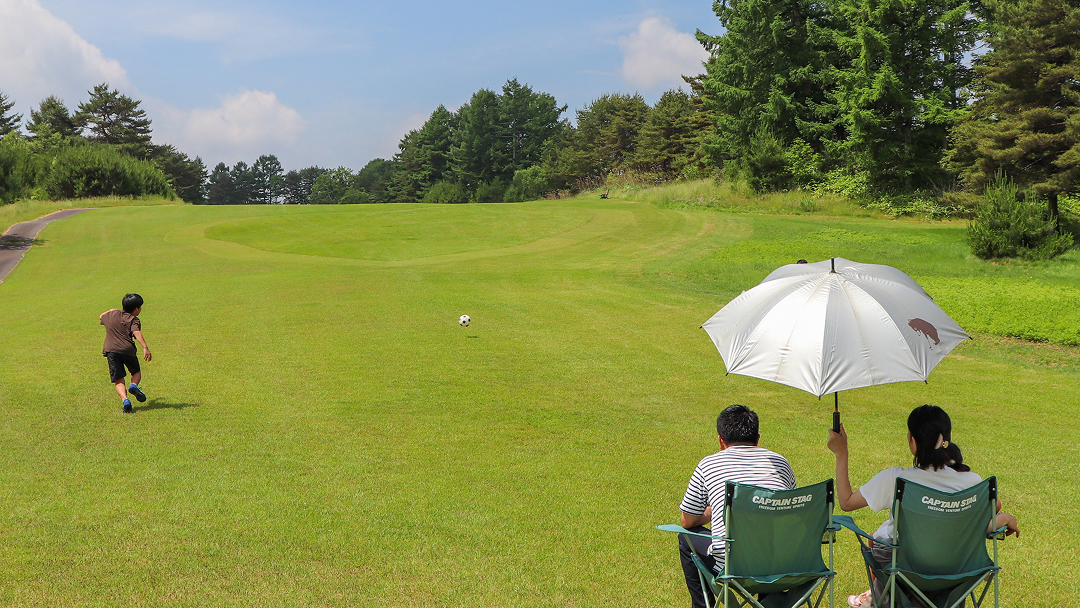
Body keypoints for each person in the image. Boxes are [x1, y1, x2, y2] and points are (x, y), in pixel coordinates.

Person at [828, 404, 1020, 607]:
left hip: (907, 568)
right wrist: (1004, 518)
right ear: (947, 439)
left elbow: (846, 502)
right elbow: (977, 525)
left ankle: (879, 597)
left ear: (912, 440)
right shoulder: (973, 483)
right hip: (957, 570)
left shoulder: (896, 479)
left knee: (879, 541)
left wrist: (842, 453)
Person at [677, 404, 796, 608]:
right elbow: (791, 513)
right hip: (784, 567)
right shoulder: (780, 463)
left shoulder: (708, 465)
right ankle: (769, 601)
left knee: (685, 537)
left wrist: (714, 511)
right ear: (758, 440)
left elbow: (687, 520)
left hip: (733, 568)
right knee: (769, 536)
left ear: (721, 440)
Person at [100, 293, 152, 413]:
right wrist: (145, 347)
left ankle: (125, 400)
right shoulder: (133, 319)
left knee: (119, 379)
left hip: (111, 350)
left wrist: (110, 310)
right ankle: (134, 385)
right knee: (136, 372)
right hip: (127, 350)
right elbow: (136, 332)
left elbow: (101, 316)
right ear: (136, 309)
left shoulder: (111, 315)